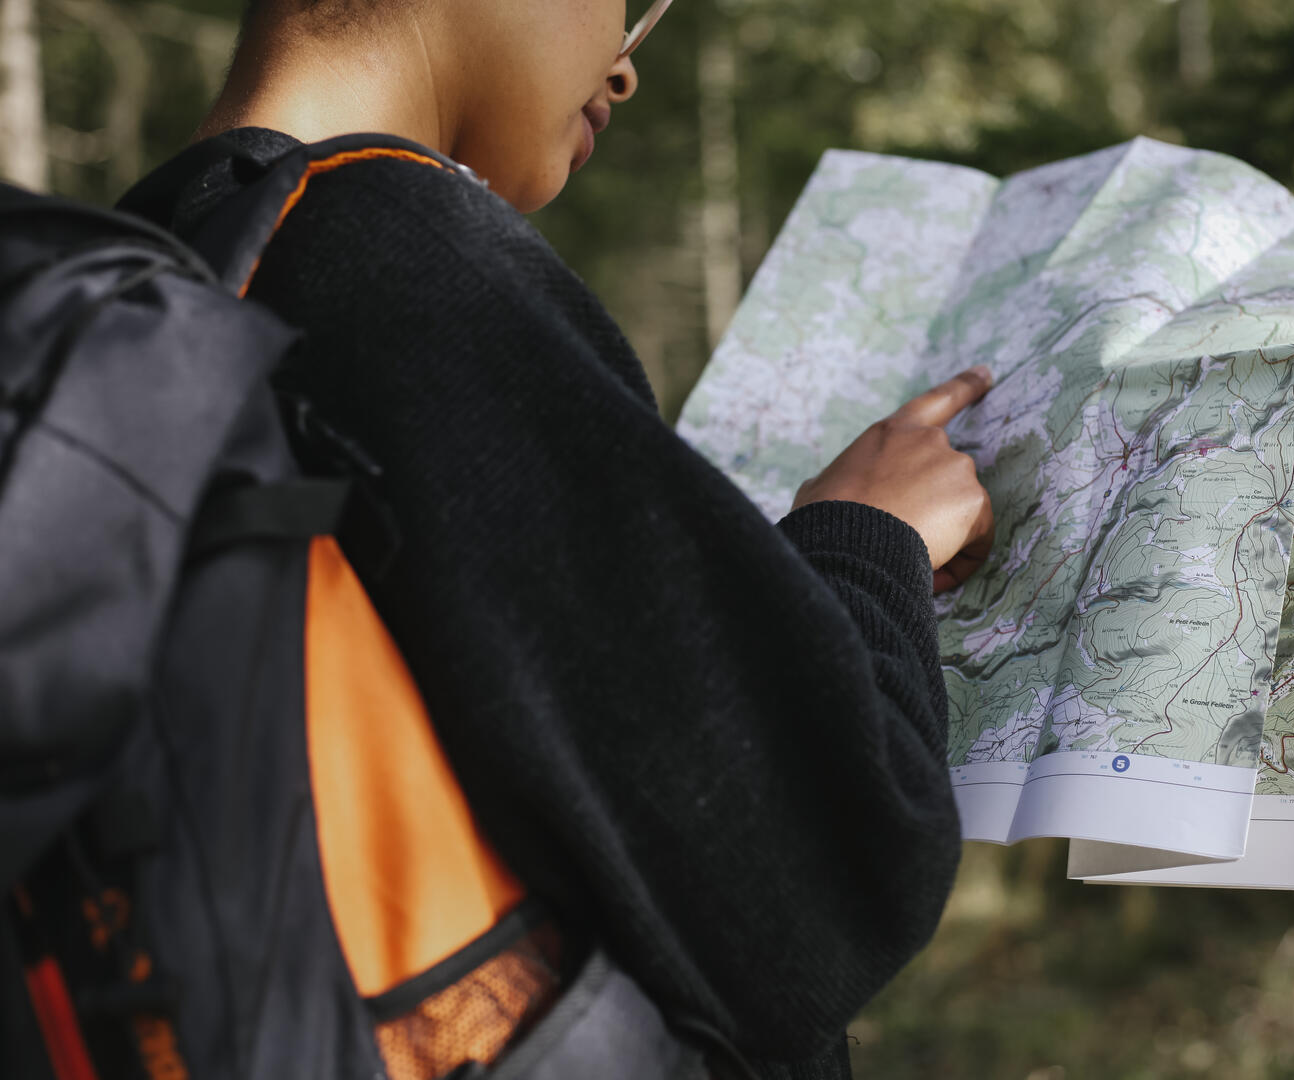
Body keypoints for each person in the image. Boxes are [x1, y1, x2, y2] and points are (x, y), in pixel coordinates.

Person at [118, 0, 996, 1076]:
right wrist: (868, 533)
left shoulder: (156, 263)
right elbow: (828, 871)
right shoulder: (389, 261)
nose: (626, 67)